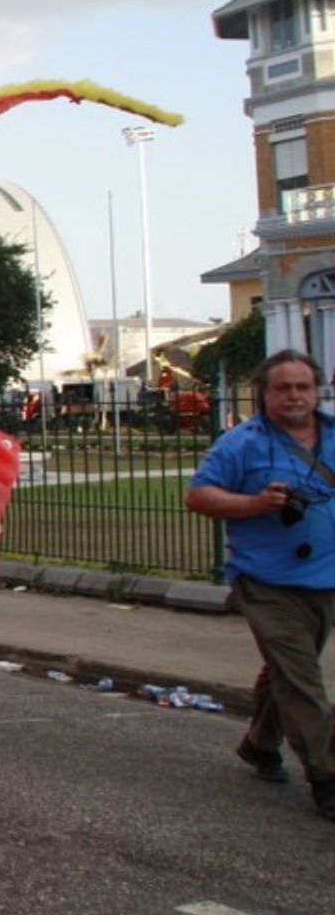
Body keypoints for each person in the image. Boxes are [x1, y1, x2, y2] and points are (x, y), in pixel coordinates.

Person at [186, 348, 335, 823]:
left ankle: (258, 742)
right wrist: (256, 504)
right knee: (301, 679)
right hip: (268, 582)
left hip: (327, 580)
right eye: (283, 388)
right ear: (264, 393)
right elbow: (199, 495)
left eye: (302, 387)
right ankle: (327, 777)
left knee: (288, 670)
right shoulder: (241, 443)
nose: (294, 396)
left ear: (317, 391)